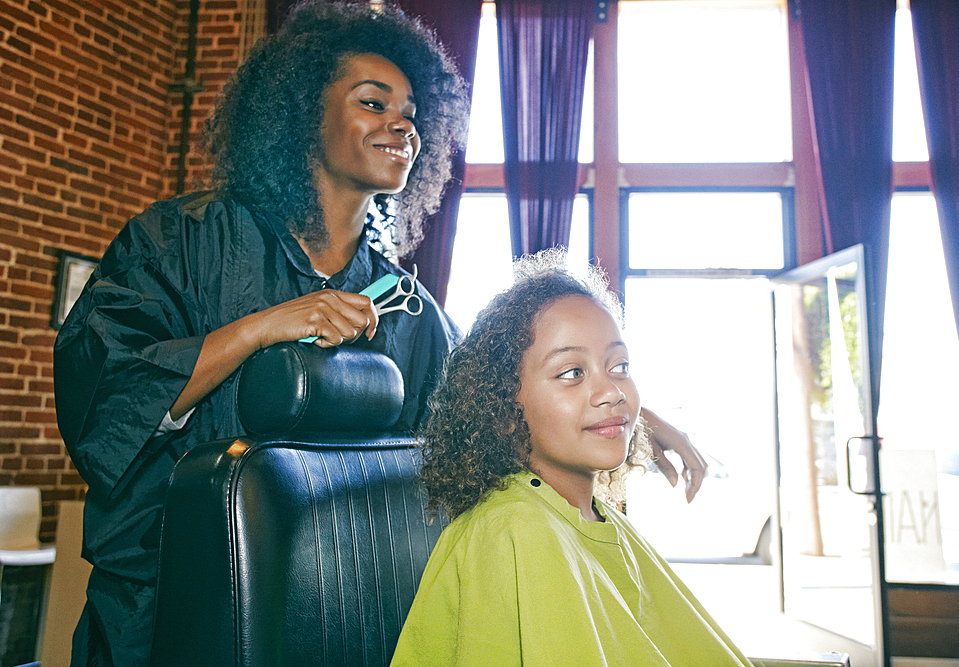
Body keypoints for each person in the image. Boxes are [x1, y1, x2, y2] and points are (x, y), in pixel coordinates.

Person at [53, 2, 469, 665]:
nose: (403, 126)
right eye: (373, 102)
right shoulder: (178, 244)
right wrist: (262, 328)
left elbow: (478, 420)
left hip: (337, 621)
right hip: (166, 617)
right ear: (304, 116)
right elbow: (108, 391)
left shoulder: (407, 309)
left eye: (413, 114)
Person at [391, 249, 749, 667]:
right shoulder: (517, 531)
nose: (613, 392)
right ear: (504, 406)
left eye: (620, 366)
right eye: (572, 373)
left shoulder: (595, 517)